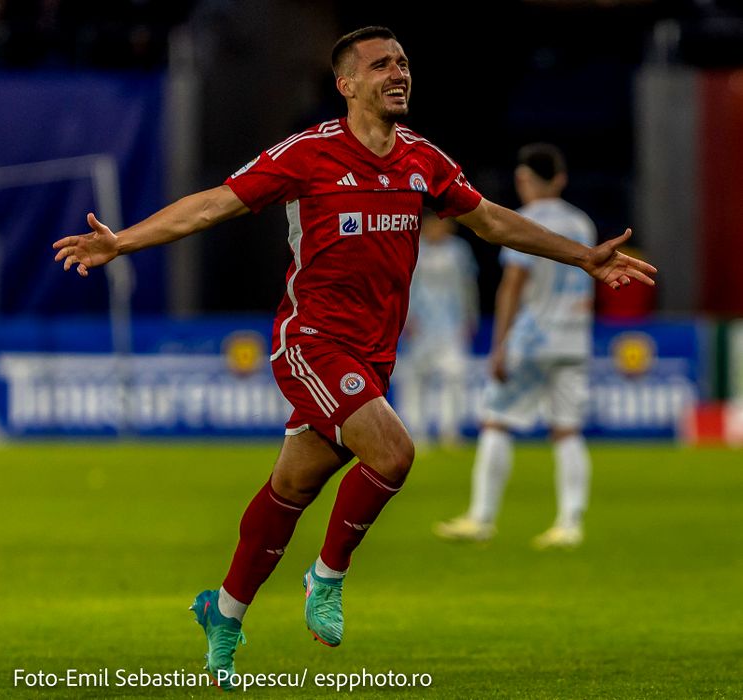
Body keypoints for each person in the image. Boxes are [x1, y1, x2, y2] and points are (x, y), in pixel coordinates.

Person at [53, 27, 656, 689]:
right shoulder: (307, 154)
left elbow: (489, 220)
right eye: (380, 65)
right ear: (345, 84)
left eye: (403, 63)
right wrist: (123, 243)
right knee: (394, 453)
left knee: (293, 487)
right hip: (310, 342)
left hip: (374, 356)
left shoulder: (423, 160)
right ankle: (326, 577)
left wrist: (582, 256)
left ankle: (222, 612)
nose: (398, 73)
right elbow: (212, 206)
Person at [434, 143, 597, 549]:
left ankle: (481, 517)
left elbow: (512, 285)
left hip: (533, 337)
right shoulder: (582, 223)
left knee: (496, 421)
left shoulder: (524, 221)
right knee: (567, 431)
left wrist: (500, 344)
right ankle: (570, 523)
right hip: (574, 338)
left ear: (524, 179)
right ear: (560, 179)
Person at [398, 215, 478, 446]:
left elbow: (468, 286)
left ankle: (450, 430)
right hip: (420, 326)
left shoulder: (459, 251)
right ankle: (415, 431)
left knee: (455, 376)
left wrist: (470, 316)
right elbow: (404, 285)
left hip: (452, 325)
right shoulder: (414, 249)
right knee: (416, 379)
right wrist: (405, 318)